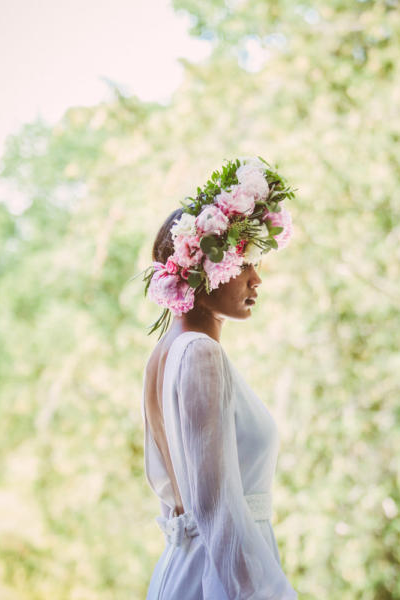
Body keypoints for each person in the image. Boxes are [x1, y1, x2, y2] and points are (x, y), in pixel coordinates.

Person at [140, 158, 298, 599]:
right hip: (218, 579)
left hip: (188, 569)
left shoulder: (164, 355)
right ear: (204, 265)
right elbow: (217, 510)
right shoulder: (199, 354)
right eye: (246, 261)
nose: (257, 278)